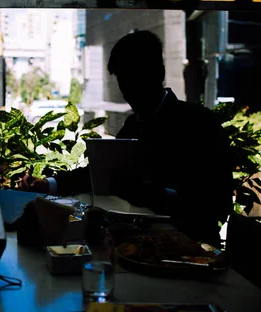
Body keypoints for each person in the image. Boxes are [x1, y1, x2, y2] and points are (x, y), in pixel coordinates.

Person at [21, 30, 234, 247]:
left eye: (135, 77)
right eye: (122, 80)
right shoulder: (135, 124)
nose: (127, 90)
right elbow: (100, 173)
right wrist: (48, 184)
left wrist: (150, 195)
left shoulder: (199, 124)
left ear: (158, 73)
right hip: (142, 245)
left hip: (191, 249)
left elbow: (218, 204)